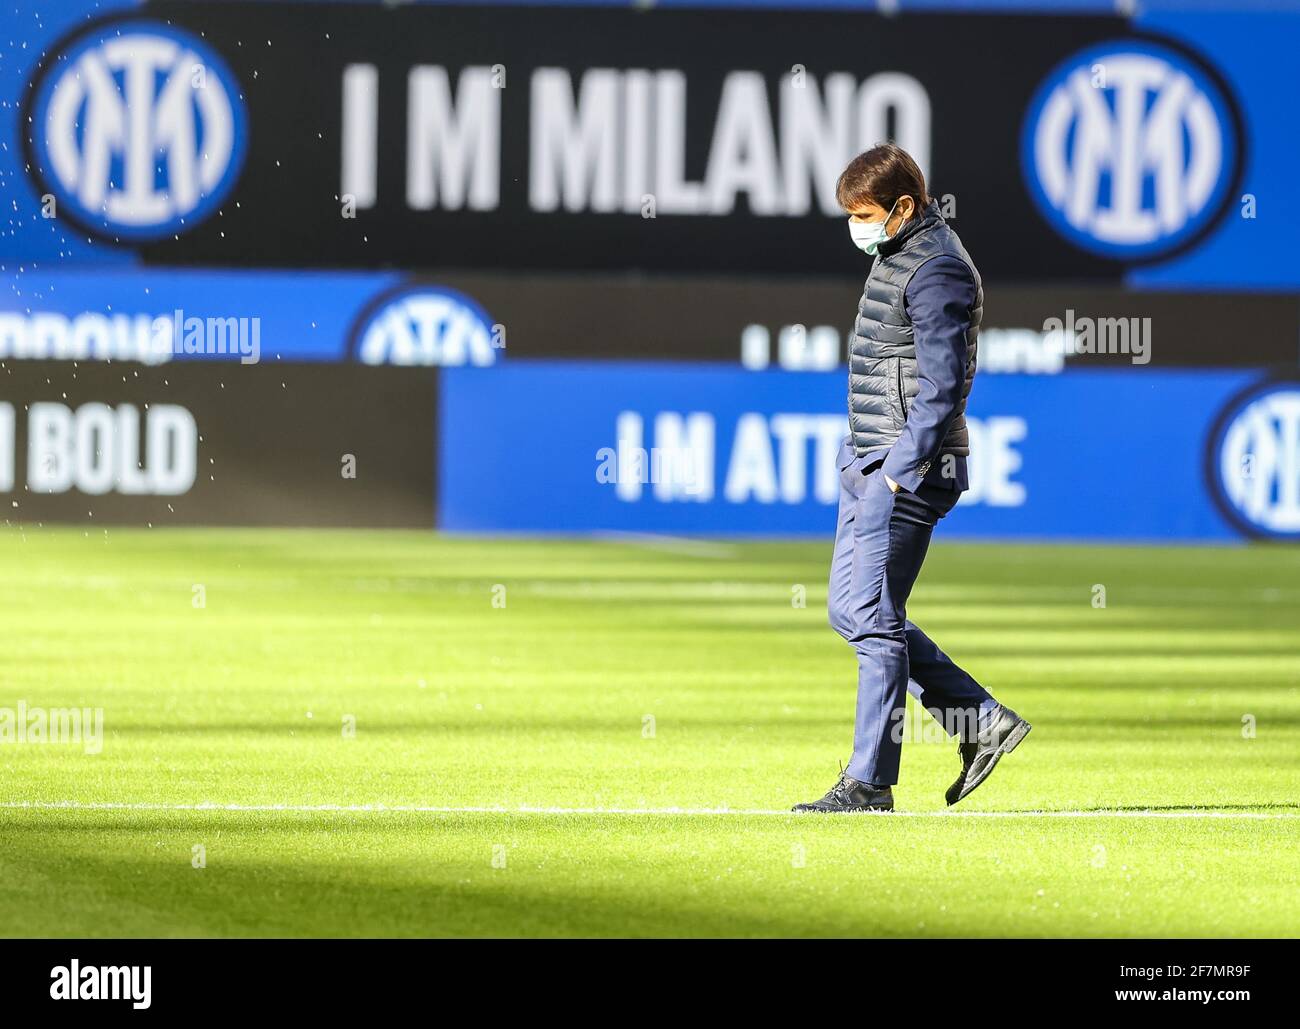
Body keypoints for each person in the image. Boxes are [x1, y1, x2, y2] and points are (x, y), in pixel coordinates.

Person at [793, 144, 1030, 814]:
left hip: (906, 469)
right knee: (855, 610)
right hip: (872, 455)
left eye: (864, 214)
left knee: (870, 617)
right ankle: (978, 718)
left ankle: (869, 782)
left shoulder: (938, 269)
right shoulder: (899, 254)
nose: (856, 226)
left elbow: (942, 387)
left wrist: (898, 474)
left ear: (904, 206)